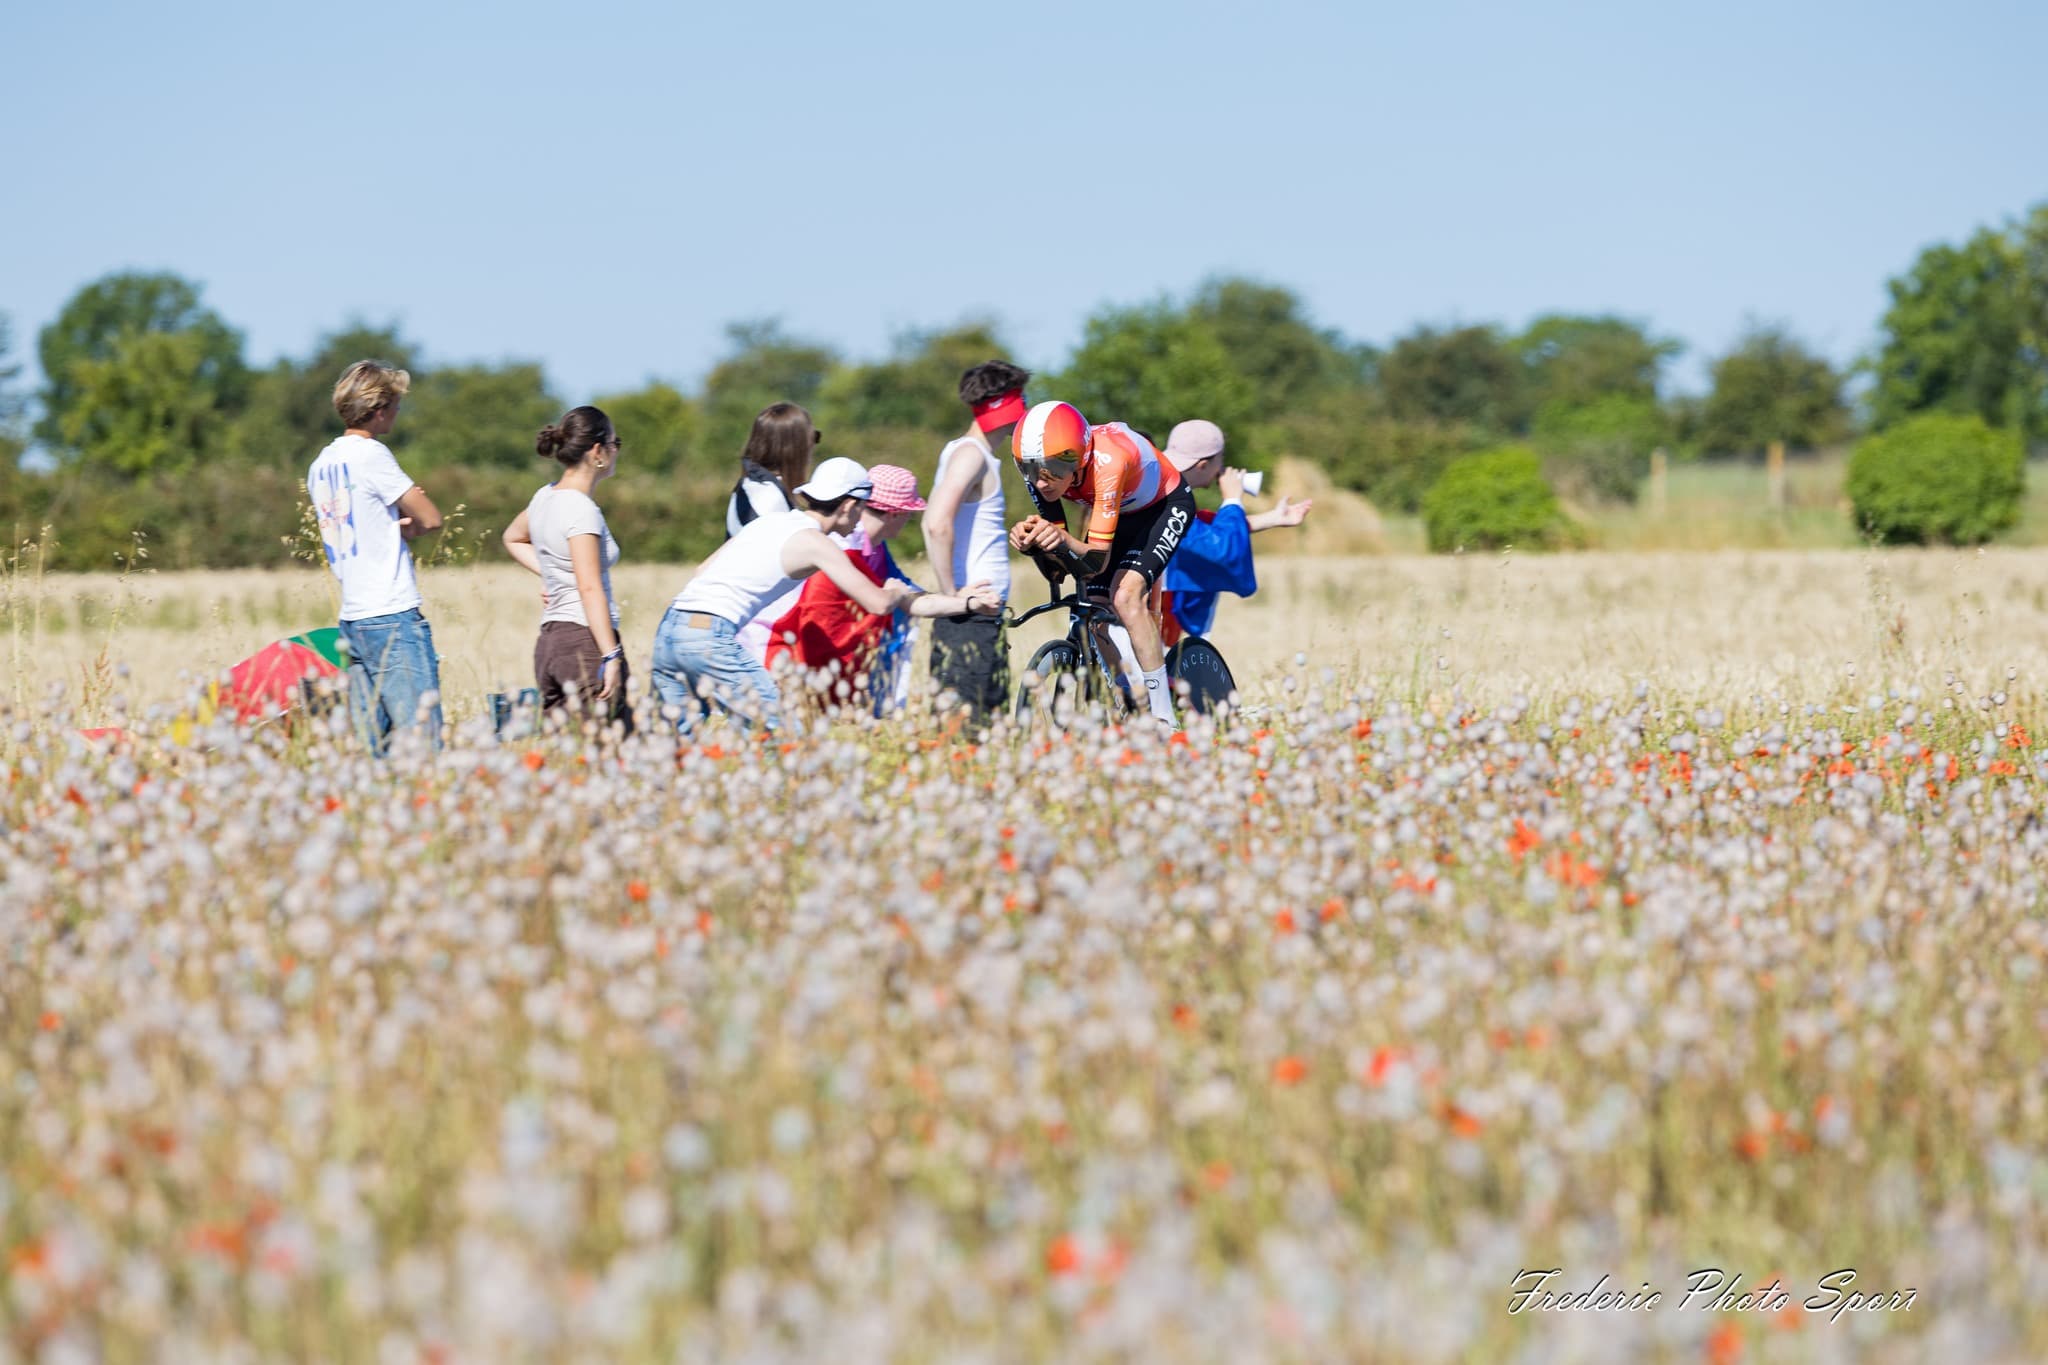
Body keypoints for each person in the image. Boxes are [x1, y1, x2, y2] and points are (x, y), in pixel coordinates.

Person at [653, 458, 994, 734]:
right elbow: (877, 603)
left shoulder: (768, 523)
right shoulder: (818, 542)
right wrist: (893, 590)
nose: (861, 519)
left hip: (671, 630)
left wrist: (963, 602)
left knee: (675, 743)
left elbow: (701, 570)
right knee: (782, 736)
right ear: (847, 506)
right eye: (861, 509)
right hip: (712, 638)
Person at [1007, 400, 1195, 725]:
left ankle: (1165, 718)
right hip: (1120, 512)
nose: (1040, 482)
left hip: (1164, 506)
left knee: (1125, 595)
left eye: (1050, 470)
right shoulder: (1044, 475)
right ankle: (1128, 703)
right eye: (1028, 468)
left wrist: (1061, 540)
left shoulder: (1109, 461)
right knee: (1093, 605)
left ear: (1076, 460)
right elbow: (1060, 567)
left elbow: (1095, 558)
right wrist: (1033, 544)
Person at [766, 464, 998, 713]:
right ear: (894, 514)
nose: (909, 520)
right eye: (909, 514)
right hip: (789, 663)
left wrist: (965, 602)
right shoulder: (841, 545)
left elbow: (910, 599)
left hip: (823, 675)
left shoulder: (876, 550)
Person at [307, 359, 444, 755]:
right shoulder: (372, 456)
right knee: (423, 742)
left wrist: (397, 525)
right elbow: (431, 518)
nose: (398, 412)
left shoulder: (322, 464)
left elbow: (361, 524)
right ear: (380, 409)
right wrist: (411, 521)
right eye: (396, 405)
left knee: (372, 749)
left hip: (353, 618)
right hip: (391, 615)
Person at [500, 405, 631, 730]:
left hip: (550, 644)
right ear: (598, 451)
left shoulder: (545, 497)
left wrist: (554, 575)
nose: (617, 451)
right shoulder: (580, 510)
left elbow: (513, 538)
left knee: (567, 759)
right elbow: (589, 588)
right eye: (616, 443)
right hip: (584, 643)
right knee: (609, 750)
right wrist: (611, 655)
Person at [922, 360, 1028, 720]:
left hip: (981, 617)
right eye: (1021, 397)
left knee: (984, 730)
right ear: (1002, 403)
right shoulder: (970, 455)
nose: (1025, 407)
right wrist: (952, 595)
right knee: (969, 732)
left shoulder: (972, 454)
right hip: (969, 619)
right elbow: (936, 522)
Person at [1156, 419, 1314, 641]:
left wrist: (1274, 517)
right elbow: (1219, 546)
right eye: (1219, 462)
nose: (1220, 470)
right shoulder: (1170, 498)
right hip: (1147, 617)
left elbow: (1205, 528)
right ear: (1203, 465)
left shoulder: (1161, 485)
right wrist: (1232, 499)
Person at [726, 401, 819, 538]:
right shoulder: (770, 500)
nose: (814, 447)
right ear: (797, 448)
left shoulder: (750, 488)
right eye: (813, 438)